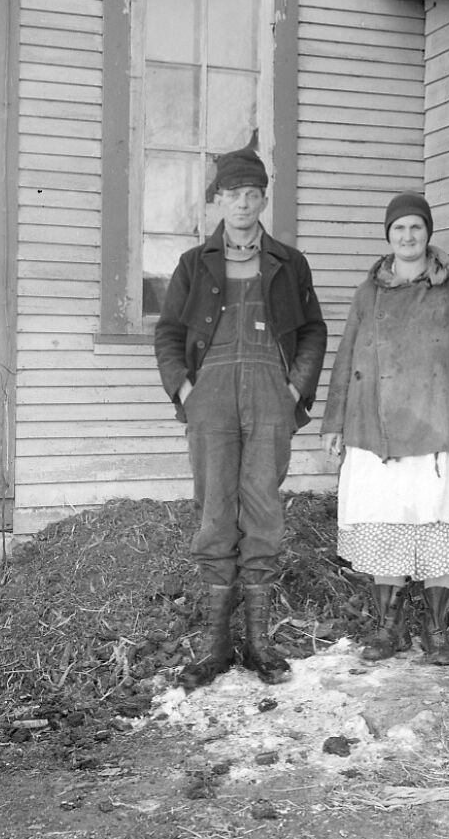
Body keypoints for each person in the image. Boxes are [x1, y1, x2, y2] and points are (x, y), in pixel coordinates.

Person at [155, 147, 327, 690]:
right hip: (211, 399)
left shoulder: (288, 262)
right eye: (233, 195)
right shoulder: (193, 263)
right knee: (214, 511)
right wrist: (186, 387)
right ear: (219, 200)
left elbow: (314, 330)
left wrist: (296, 386)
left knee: (263, 507)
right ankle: (215, 646)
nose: (243, 205)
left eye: (253, 194)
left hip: (269, 397)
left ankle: (257, 642)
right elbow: (168, 333)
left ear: (263, 200)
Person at [321, 191, 449, 666]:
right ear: (389, 236)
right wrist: (334, 421)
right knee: (386, 527)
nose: (408, 236)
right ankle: (388, 628)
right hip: (375, 431)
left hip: (435, 428)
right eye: (399, 229)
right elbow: (346, 358)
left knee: (437, 528)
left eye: (416, 227)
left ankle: (437, 631)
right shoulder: (369, 291)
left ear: (428, 233)